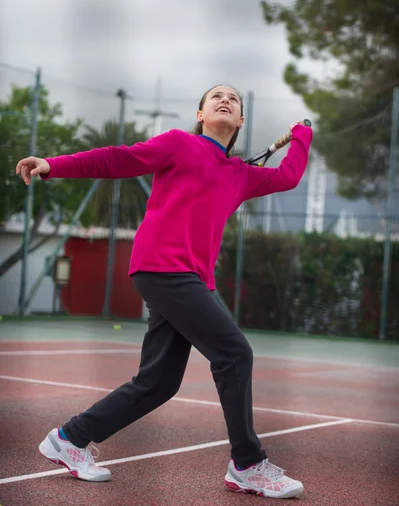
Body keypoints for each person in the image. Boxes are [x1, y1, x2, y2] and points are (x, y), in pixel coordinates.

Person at [16, 85, 312, 499]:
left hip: (189, 279)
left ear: (241, 120)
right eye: (216, 97)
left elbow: (288, 176)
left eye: (234, 99)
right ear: (200, 114)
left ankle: (70, 438)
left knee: (159, 382)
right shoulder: (178, 145)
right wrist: (53, 164)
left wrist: (302, 136)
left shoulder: (240, 175)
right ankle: (247, 463)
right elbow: (118, 158)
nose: (225, 100)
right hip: (161, 267)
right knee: (234, 352)